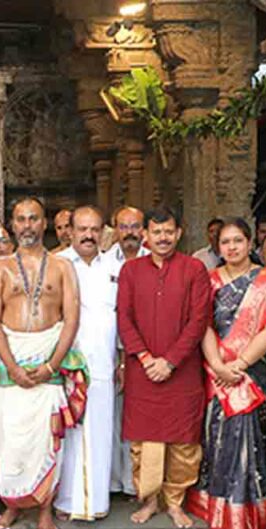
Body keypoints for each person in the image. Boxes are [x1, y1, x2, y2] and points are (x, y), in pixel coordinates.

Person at [0, 197, 86, 529]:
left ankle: (45, 508)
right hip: (11, 360)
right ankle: (13, 505)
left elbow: (72, 319)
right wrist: (12, 367)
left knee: (47, 440)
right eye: (21, 219)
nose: (27, 225)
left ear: (44, 223)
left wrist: (51, 365)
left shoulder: (62, 267)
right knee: (9, 440)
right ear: (12, 225)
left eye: (33, 219)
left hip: (48, 359)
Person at [187, 217, 266, 529]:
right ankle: (215, 506)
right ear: (218, 247)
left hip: (252, 371)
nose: (231, 247)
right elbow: (203, 325)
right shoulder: (209, 280)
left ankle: (246, 510)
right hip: (216, 371)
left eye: (237, 241)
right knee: (216, 436)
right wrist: (217, 365)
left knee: (249, 438)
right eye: (225, 242)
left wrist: (240, 364)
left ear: (249, 244)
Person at [117, 208, 211, 528]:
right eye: (156, 232)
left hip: (182, 369)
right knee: (145, 441)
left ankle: (175, 502)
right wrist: (145, 358)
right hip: (142, 370)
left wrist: (170, 361)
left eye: (168, 232)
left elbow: (198, 321)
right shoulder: (131, 271)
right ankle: (150, 500)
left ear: (179, 234)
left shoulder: (194, 269)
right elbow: (124, 319)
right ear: (145, 235)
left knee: (184, 440)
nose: (163, 238)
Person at [54, 206, 117, 521]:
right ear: (71, 231)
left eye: (95, 229)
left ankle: (96, 502)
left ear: (103, 230)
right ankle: (67, 501)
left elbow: (123, 315)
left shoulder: (115, 266)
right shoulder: (58, 264)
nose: (89, 235)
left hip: (104, 363)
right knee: (69, 432)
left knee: (101, 431)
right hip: (67, 365)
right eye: (82, 229)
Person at [107, 205, 149, 496]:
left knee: (141, 420)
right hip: (112, 353)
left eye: (135, 226)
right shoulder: (105, 263)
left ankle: (138, 484)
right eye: (124, 226)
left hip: (148, 354)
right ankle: (114, 482)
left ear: (144, 230)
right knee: (114, 418)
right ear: (115, 229)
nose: (130, 232)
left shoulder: (155, 260)